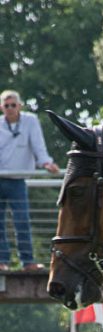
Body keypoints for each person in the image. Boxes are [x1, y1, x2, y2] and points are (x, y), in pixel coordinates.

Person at [0, 89, 59, 271]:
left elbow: (38, 147)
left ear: (20, 106)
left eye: (13, 105)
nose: (10, 108)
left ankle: (28, 262)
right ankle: (2, 261)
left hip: (18, 181)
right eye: (6, 105)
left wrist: (47, 163)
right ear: (2, 107)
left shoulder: (30, 121)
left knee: (22, 221)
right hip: (1, 178)